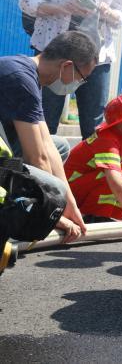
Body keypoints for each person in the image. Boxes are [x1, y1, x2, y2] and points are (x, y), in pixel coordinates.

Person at [19, 0, 122, 139]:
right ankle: (38, 169)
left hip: (96, 57)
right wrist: (61, 8)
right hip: (55, 54)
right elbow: (26, 2)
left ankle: (86, 171)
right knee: (43, 122)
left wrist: (107, 11)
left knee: (94, 128)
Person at [0, 30, 99, 243]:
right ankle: (14, 209)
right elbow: (38, 158)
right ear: (66, 66)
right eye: (82, 78)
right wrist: (51, 214)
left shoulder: (27, 73)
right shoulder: (21, 80)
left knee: (59, 144)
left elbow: (47, 146)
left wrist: (69, 205)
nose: (79, 85)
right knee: (39, 164)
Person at [64, 90, 122, 234]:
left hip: (80, 188)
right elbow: (116, 181)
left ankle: (104, 218)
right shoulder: (108, 141)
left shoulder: (118, 137)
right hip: (70, 195)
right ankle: (89, 217)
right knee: (110, 176)